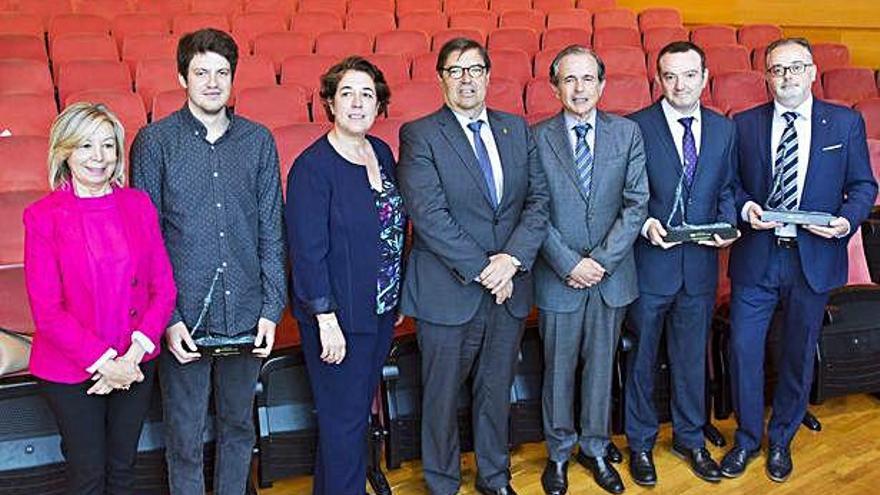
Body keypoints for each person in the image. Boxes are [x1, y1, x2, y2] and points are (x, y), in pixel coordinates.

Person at [130, 29, 287, 494]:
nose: (213, 82)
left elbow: (271, 230)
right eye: (201, 72)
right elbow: (146, 240)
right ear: (182, 77)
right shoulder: (154, 143)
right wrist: (168, 319)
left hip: (246, 309)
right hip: (183, 315)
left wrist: (270, 309)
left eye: (222, 72)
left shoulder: (258, 141)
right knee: (185, 437)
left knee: (239, 428)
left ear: (233, 78)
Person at [396, 37, 549, 495]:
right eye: (456, 70)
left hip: (509, 289)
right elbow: (429, 216)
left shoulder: (516, 129)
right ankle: (442, 483)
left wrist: (512, 261)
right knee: (441, 397)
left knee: (494, 390)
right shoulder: (420, 134)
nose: (467, 78)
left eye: (475, 68)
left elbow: (538, 203)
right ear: (441, 78)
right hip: (449, 290)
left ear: (488, 75)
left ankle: (494, 478)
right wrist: (489, 270)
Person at [721, 37, 877, 483]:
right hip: (758, 256)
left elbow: (863, 186)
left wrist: (845, 222)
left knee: (796, 354)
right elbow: (731, 185)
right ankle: (749, 438)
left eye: (795, 67)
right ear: (766, 75)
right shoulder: (744, 123)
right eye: (777, 69)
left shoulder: (844, 124)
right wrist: (746, 208)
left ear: (812, 72)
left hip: (814, 257)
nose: (786, 77)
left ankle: (782, 437)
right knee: (744, 350)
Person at [23, 102, 177, 494]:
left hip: (135, 361)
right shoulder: (42, 216)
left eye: (108, 146)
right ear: (65, 151)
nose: (99, 157)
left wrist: (130, 359)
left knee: (123, 469)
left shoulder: (138, 204)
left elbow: (164, 288)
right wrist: (107, 364)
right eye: (87, 146)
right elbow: (47, 311)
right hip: (72, 369)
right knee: (88, 474)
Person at [531, 45, 648, 495]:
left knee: (601, 369)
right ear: (554, 86)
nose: (579, 89)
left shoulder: (627, 134)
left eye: (587, 80)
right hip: (558, 275)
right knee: (558, 371)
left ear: (602, 85)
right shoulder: (536, 137)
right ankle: (558, 454)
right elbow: (533, 209)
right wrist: (567, 262)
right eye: (569, 80)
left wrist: (599, 262)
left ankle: (595, 449)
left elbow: (636, 204)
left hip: (610, 277)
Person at [285, 56, 404, 495]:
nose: (357, 103)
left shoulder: (382, 154)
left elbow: (388, 233)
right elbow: (307, 253)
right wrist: (325, 319)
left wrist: (392, 299)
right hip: (337, 319)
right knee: (344, 423)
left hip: (378, 310)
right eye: (347, 93)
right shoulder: (312, 167)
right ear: (330, 104)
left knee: (349, 420)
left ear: (379, 105)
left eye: (367, 94)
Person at [623, 41, 738, 487]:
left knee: (692, 359)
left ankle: (690, 438)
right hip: (652, 264)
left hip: (700, 268)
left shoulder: (723, 130)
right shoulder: (635, 127)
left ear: (705, 76)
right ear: (658, 79)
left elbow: (726, 188)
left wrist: (728, 223)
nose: (680, 84)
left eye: (689, 75)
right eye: (670, 76)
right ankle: (640, 444)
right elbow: (626, 196)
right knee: (643, 359)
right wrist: (645, 224)